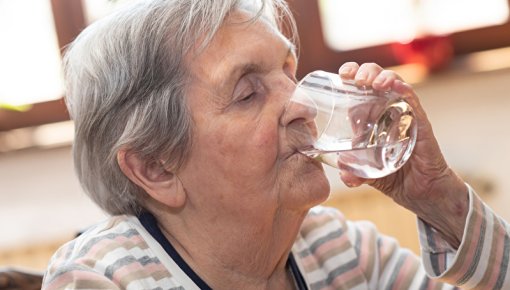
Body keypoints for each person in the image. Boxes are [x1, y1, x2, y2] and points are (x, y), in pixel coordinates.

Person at [42, 0, 509, 289]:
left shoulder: (338, 248)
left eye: (289, 71)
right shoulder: (101, 280)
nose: (302, 103)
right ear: (156, 168)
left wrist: (439, 198)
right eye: (247, 93)